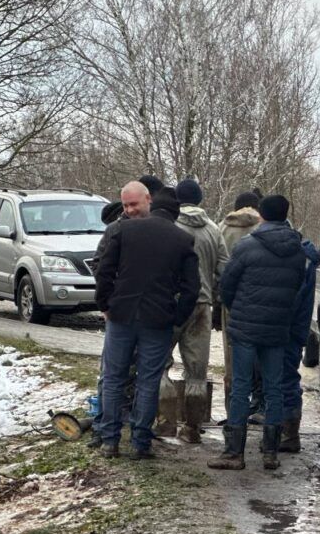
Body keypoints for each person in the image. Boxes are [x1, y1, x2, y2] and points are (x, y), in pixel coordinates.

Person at [94, 186, 199, 459]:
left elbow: (104, 270)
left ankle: (110, 440)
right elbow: (191, 288)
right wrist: (177, 317)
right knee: (149, 381)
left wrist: (105, 304)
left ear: (151, 202)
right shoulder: (182, 239)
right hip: (158, 319)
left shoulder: (123, 231)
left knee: (113, 378)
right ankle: (141, 442)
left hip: (121, 315)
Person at [210, 194, 305, 471]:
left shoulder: (246, 246)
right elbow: (297, 289)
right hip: (277, 327)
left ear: (261, 215)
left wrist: (236, 308)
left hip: (245, 327)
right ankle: (270, 453)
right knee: (273, 388)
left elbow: (227, 285)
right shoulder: (297, 250)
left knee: (240, 386)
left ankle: (233, 453)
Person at [155, 178, 229, 443]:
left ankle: (165, 424)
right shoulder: (212, 229)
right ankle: (193, 428)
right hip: (202, 306)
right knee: (196, 371)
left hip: (169, 304)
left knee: (160, 364)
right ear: (199, 199)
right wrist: (215, 296)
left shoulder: (169, 226)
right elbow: (224, 268)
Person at [86, 182, 152, 450]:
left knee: (142, 378)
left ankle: (138, 433)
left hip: (150, 315)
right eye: (125, 206)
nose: (130, 210)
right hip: (121, 315)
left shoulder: (159, 230)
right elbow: (100, 267)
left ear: (148, 200)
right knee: (111, 376)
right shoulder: (115, 230)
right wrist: (105, 305)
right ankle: (104, 430)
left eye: (134, 205)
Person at [216, 191, 263, 407]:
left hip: (231, 300)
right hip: (261, 300)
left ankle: (233, 410)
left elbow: (217, 268)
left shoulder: (221, 227)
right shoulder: (264, 227)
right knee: (262, 350)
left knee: (232, 354)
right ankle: (260, 402)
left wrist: (219, 301)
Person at [279, 232, 320, 452]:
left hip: (285, 327)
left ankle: (287, 434)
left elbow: (293, 298)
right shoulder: (306, 257)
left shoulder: (297, 259)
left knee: (284, 379)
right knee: (288, 377)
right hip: (297, 328)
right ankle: (288, 431)